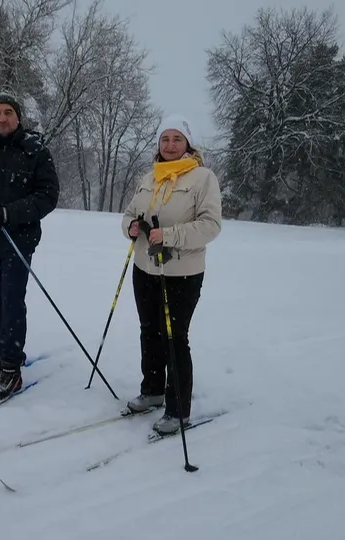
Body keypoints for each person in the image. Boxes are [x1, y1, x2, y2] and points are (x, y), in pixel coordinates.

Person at [120, 113, 223, 435]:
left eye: (177, 138)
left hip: (181, 272)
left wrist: (169, 235)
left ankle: (178, 409)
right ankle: (152, 391)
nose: (170, 144)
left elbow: (210, 227)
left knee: (175, 338)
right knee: (149, 330)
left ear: (188, 143)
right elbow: (128, 215)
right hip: (144, 267)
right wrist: (131, 228)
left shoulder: (202, 178)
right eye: (165, 139)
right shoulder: (149, 176)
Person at [0, 91, 60, 401]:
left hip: (18, 241)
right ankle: (1, 352)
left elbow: (48, 196)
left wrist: (7, 213)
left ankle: (12, 367)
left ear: (17, 116)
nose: (2, 118)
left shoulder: (35, 150)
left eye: (8, 112)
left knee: (11, 301)